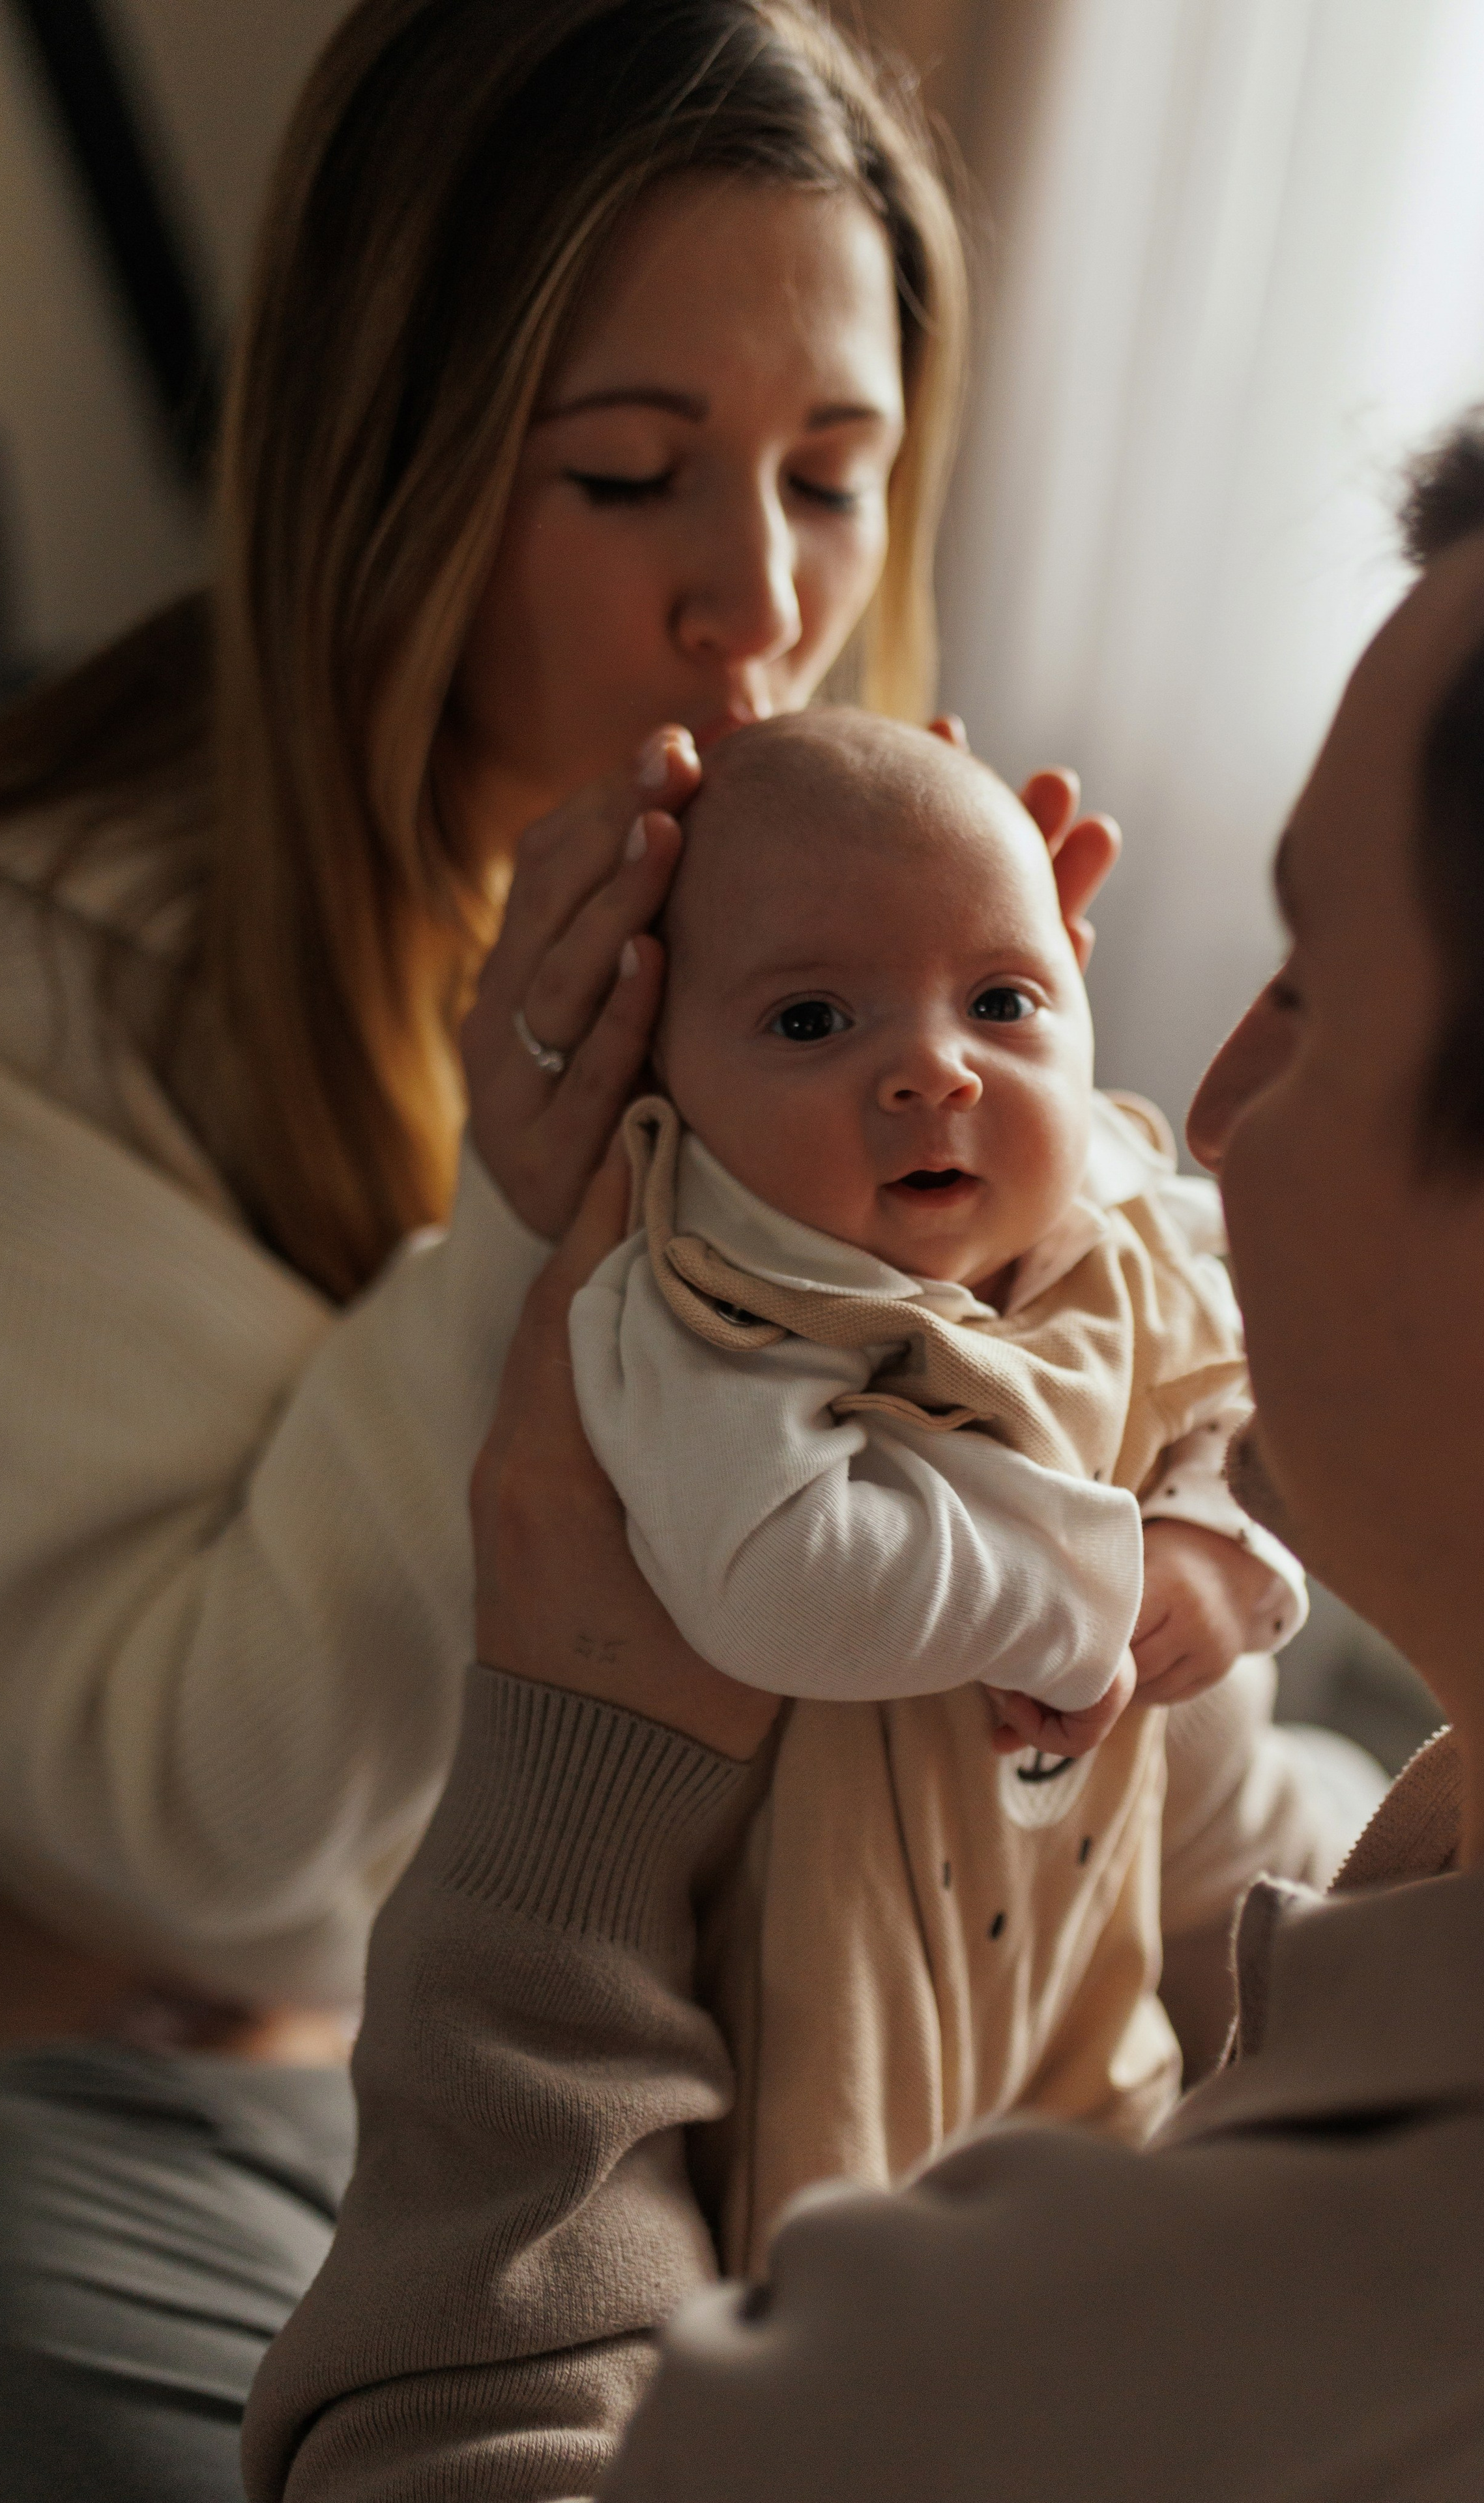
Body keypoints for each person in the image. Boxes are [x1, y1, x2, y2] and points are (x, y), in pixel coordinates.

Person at [244, 360, 1484, 2502]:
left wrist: (567, 1797)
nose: (1204, 1115)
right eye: (817, 1013)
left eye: (1315, 982)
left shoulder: (979, 2385)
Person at [0, 3, 972, 2493]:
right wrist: (519, 1232)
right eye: (629, 475)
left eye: (835, 480)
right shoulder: (43, 990)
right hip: (190, 2098)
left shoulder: (824, 963)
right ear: (391, 467)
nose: (761, 606)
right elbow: (207, 1853)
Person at [572, 709, 1305, 2264]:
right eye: (808, 1020)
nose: (930, 1068)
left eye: (999, 1001)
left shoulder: (1119, 1217)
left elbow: (1255, 1395)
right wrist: (1085, 1601)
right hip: (830, 2006)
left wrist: (1208, 1550)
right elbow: (774, 1575)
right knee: (838, 2300)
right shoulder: (715, 1303)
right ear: (662, 1074)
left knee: (1114, 2243)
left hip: (1077, 1954)